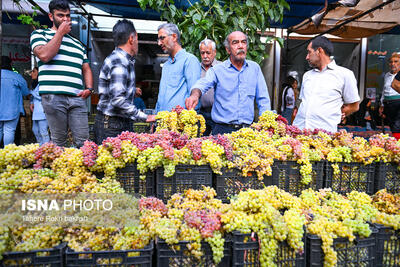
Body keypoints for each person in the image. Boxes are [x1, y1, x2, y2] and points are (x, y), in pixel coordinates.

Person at [30, 0, 93, 148]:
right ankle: (61, 170)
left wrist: (89, 89)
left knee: (84, 142)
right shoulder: (40, 34)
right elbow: (45, 55)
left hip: (77, 97)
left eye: (68, 16)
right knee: (59, 142)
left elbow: (86, 68)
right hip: (53, 97)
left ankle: (81, 170)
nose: (65, 19)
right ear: (51, 16)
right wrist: (60, 33)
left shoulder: (78, 44)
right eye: (60, 16)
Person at [185, 31, 271, 135]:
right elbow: (202, 84)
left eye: (243, 42)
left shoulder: (255, 68)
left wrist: (266, 123)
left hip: (247, 131)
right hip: (222, 131)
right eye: (235, 43)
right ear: (228, 49)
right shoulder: (217, 70)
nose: (240, 46)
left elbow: (263, 99)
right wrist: (195, 95)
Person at [95, 19, 155, 145]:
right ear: (132, 39)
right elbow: (117, 100)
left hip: (114, 122)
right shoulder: (120, 62)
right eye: (137, 40)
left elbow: (112, 89)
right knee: (113, 163)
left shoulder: (120, 59)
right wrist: (144, 116)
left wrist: (131, 91)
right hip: (112, 125)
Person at [292, 36, 360, 132]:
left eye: (309, 52)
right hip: (300, 131)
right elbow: (302, 102)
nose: (307, 57)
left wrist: (338, 113)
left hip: (324, 135)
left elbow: (354, 105)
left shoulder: (345, 75)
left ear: (319, 51)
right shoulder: (307, 75)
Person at [155, 23, 201, 112]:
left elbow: (195, 97)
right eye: (158, 39)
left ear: (174, 37)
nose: (159, 43)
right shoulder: (166, 66)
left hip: (180, 123)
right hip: (162, 122)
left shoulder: (189, 60)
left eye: (162, 38)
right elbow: (161, 98)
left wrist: (187, 119)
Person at [0, 56, 30, 146]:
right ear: (10, 64)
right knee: (9, 130)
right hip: (11, 109)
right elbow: (25, 92)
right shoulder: (16, 76)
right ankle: (7, 154)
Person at [198, 38, 221, 135]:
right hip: (200, 113)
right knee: (200, 141)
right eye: (202, 53)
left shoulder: (221, 68)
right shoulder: (195, 68)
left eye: (208, 53)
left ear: (214, 52)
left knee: (217, 141)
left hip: (217, 112)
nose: (205, 56)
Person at [379, 53, 400, 139]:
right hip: (387, 102)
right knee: (390, 125)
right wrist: (382, 104)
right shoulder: (387, 75)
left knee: (397, 125)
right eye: (391, 62)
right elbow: (384, 90)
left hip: (398, 102)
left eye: (396, 61)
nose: (393, 64)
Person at [30, 81, 50, 145]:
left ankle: (47, 147)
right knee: (35, 130)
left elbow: (44, 97)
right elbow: (32, 98)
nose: (31, 73)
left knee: (43, 131)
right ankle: (40, 145)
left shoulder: (44, 83)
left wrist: (30, 92)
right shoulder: (35, 84)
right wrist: (31, 103)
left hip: (42, 110)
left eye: (34, 71)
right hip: (36, 112)